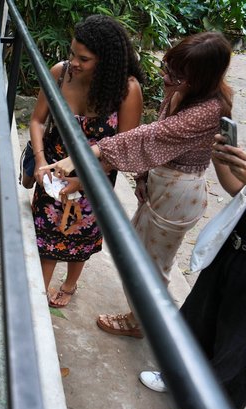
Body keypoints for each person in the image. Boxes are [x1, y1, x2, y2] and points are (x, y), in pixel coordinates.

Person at [41, 31, 233, 335]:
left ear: (199, 77)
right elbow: (157, 139)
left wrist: (88, 153)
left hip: (179, 192)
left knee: (153, 266)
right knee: (139, 254)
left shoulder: (207, 110)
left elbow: (148, 136)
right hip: (160, 181)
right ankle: (142, 317)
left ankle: (142, 323)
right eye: (167, 66)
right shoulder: (183, 90)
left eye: (174, 72)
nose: (164, 75)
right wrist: (142, 176)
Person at [26, 14, 144, 308]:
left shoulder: (127, 91)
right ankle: (37, 299)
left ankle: (70, 283)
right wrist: (41, 162)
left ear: (106, 61)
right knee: (47, 237)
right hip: (51, 171)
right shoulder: (59, 73)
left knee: (80, 235)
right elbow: (38, 121)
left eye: (85, 59)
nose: (74, 63)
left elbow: (123, 149)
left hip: (96, 177)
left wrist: (83, 180)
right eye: (72, 54)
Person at [139, 138, 246, 409]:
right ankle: (179, 379)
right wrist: (221, 160)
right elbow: (239, 191)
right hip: (233, 246)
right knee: (200, 316)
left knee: (237, 346)